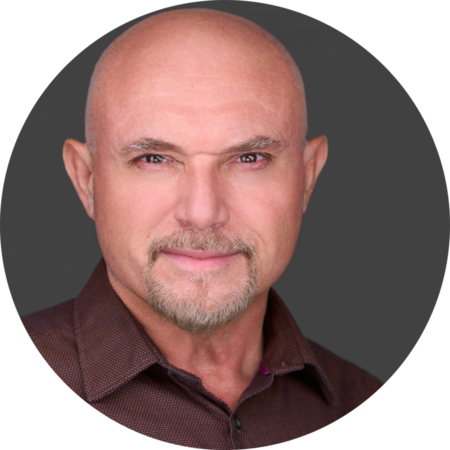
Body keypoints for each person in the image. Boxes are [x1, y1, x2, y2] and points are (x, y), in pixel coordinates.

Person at [19, 8, 383, 447]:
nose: (203, 212)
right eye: (154, 159)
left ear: (307, 177)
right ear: (86, 179)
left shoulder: (360, 398)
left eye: (249, 158)